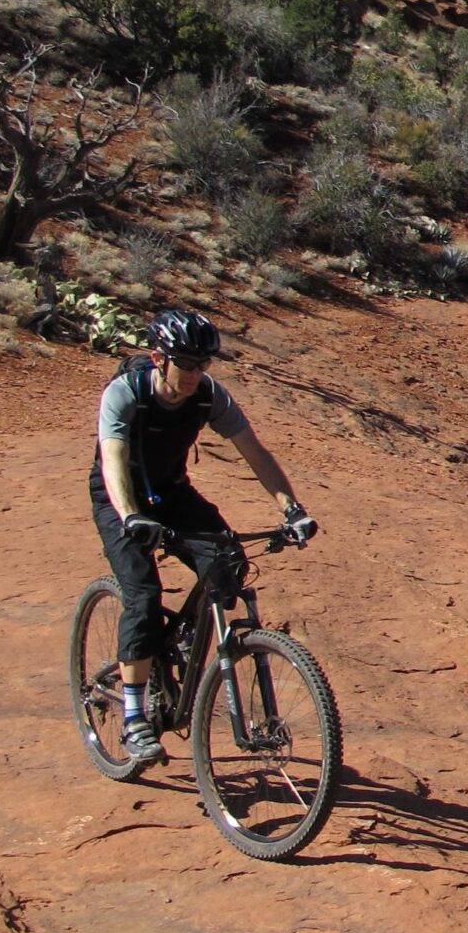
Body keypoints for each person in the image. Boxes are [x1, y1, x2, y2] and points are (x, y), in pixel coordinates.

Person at [90, 308, 317, 765]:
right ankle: (135, 717)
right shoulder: (125, 393)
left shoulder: (209, 396)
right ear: (159, 357)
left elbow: (255, 453)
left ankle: (181, 640)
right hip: (122, 498)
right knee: (143, 595)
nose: (196, 372)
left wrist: (290, 508)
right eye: (187, 362)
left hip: (172, 491)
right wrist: (132, 516)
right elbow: (112, 461)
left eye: (203, 363)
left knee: (229, 560)